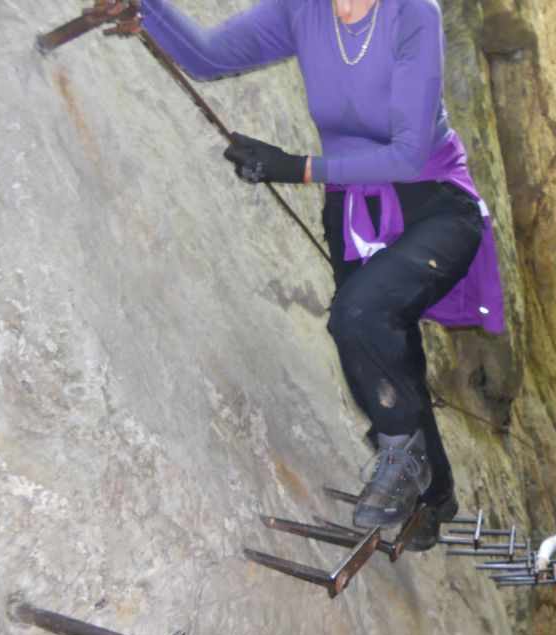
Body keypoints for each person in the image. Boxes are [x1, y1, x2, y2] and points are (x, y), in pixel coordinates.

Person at [138, 0, 504, 550]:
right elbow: (206, 57)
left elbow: (406, 156)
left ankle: (400, 454)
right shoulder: (301, 11)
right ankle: (436, 496)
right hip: (354, 208)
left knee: (359, 313)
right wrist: (144, 9)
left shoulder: (413, 15)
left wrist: (296, 168)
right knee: (389, 347)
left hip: (434, 200)